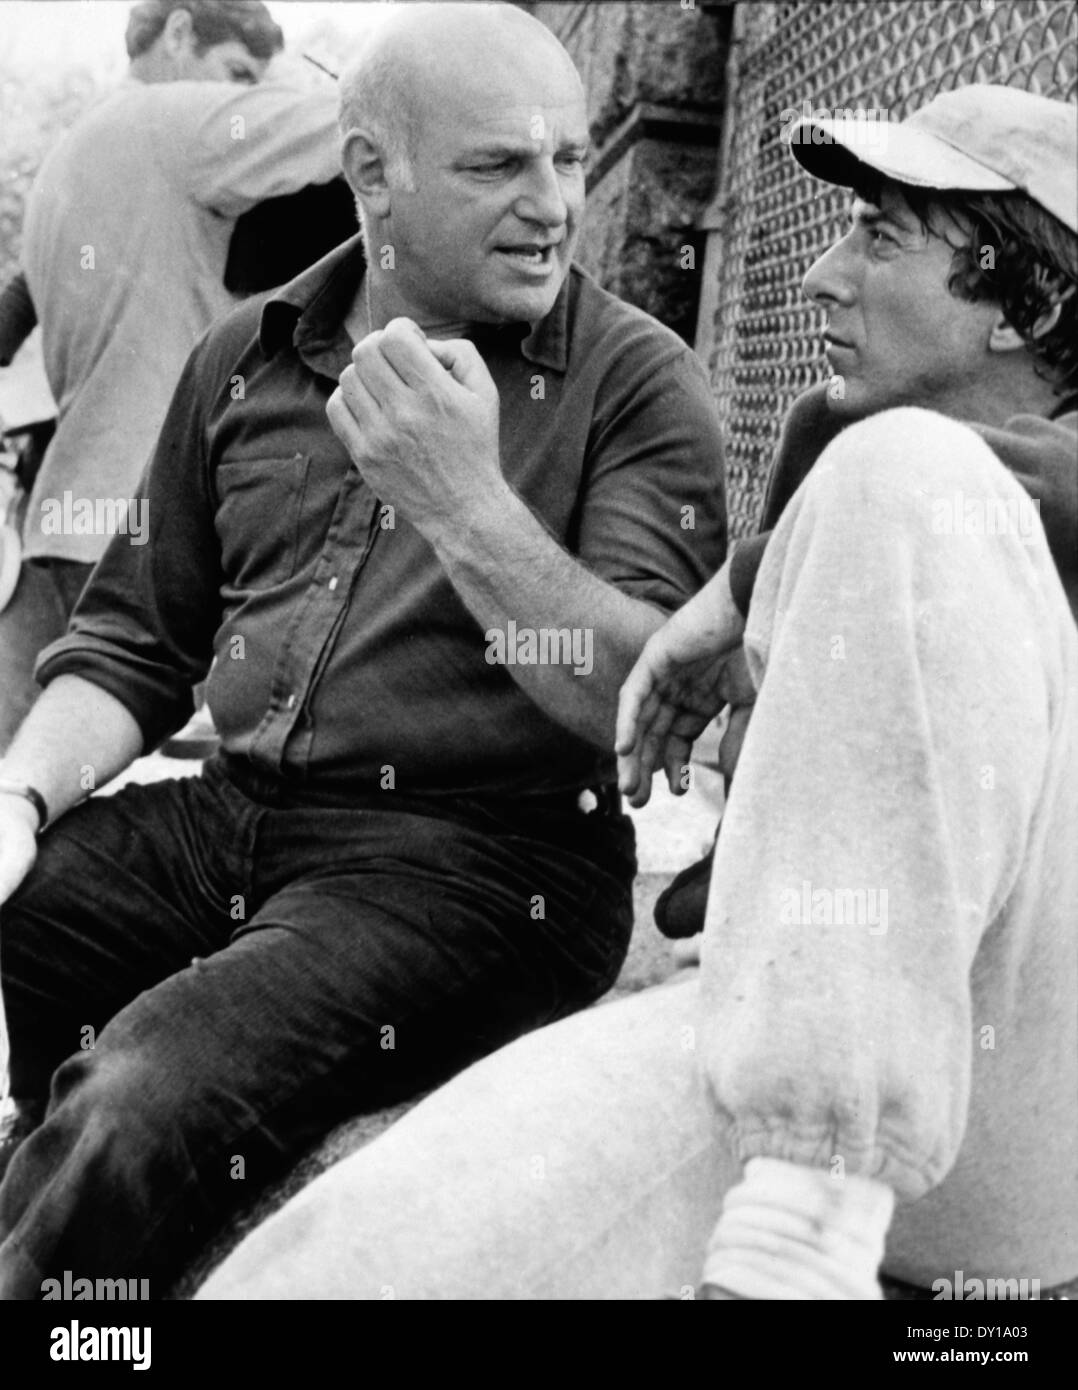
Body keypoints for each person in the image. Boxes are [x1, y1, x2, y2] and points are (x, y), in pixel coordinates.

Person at [194, 83, 1078, 1302]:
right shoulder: (841, 443)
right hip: (791, 1055)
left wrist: (741, 586)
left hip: (1027, 1117)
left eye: (879, 236)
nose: (822, 276)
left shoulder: (916, 475)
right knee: (350, 1259)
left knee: (903, 474)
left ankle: (792, 1256)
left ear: (1027, 303)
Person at [0, 1, 726, 1299]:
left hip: (488, 860)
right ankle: (79, 1226)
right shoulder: (244, 352)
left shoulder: (633, 377)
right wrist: (22, 791)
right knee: (37, 918)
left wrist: (460, 499)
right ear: (371, 174)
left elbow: (641, 698)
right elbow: (129, 640)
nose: (555, 202)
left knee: (142, 1089)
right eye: (499, 164)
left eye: (565, 157)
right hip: (240, 809)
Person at [0, 0, 344, 749]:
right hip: (154, 531)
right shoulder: (181, 122)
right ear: (182, 32)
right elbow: (367, 121)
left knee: (21, 774)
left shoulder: (69, 157)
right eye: (238, 75)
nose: (244, 95)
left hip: (63, 524)